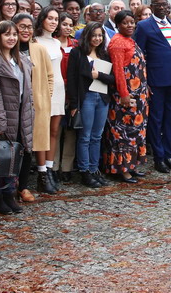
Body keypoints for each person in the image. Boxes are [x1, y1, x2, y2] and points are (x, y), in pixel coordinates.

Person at [0, 20, 34, 215]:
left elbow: (28, 91)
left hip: (20, 114)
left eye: (14, 34)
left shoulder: (21, 59)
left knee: (14, 154)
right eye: (7, 34)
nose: (11, 38)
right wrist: (0, 121)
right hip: (0, 115)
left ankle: (10, 193)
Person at [133, 0, 171, 174]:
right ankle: (159, 157)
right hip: (155, 82)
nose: (162, 7)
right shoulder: (144, 26)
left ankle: (168, 154)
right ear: (152, 6)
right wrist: (144, 82)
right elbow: (139, 56)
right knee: (156, 119)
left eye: (164, 4)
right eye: (158, 5)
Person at [67, 22, 115, 188]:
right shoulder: (77, 53)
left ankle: (94, 169)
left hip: (102, 98)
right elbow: (72, 79)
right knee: (85, 136)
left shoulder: (104, 54)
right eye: (94, 35)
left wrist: (98, 75)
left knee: (97, 136)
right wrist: (74, 104)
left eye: (100, 35)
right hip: (86, 97)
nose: (97, 38)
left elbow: (112, 78)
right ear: (87, 36)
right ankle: (85, 170)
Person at [13, 13, 56, 196]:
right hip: (13, 105)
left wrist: (46, 96)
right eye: (22, 26)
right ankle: (9, 186)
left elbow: (49, 76)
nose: (26, 30)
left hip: (36, 104)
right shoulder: (7, 47)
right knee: (13, 146)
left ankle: (23, 187)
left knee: (28, 146)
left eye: (29, 27)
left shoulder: (39, 49)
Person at [105, 10, 149, 183]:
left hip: (138, 95)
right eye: (125, 23)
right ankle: (122, 169)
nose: (129, 25)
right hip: (125, 96)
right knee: (123, 133)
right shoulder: (117, 42)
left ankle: (132, 165)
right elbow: (118, 71)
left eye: (132, 22)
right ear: (117, 25)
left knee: (136, 132)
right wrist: (123, 94)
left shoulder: (130, 40)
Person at [34, 7, 66, 188]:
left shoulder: (56, 42)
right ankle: (42, 173)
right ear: (42, 19)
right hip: (43, 90)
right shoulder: (35, 41)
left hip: (59, 89)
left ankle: (50, 168)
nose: (54, 22)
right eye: (50, 18)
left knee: (54, 131)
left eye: (56, 19)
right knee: (42, 133)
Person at [53, 11, 79, 182]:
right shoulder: (52, 44)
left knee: (71, 130)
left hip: (72, 91)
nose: (68, 28)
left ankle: (67, 167)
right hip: (56, 90)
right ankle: (54, 166)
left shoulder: (76, 44)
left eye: (70, 25)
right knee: (55, 130)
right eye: (64, 24)